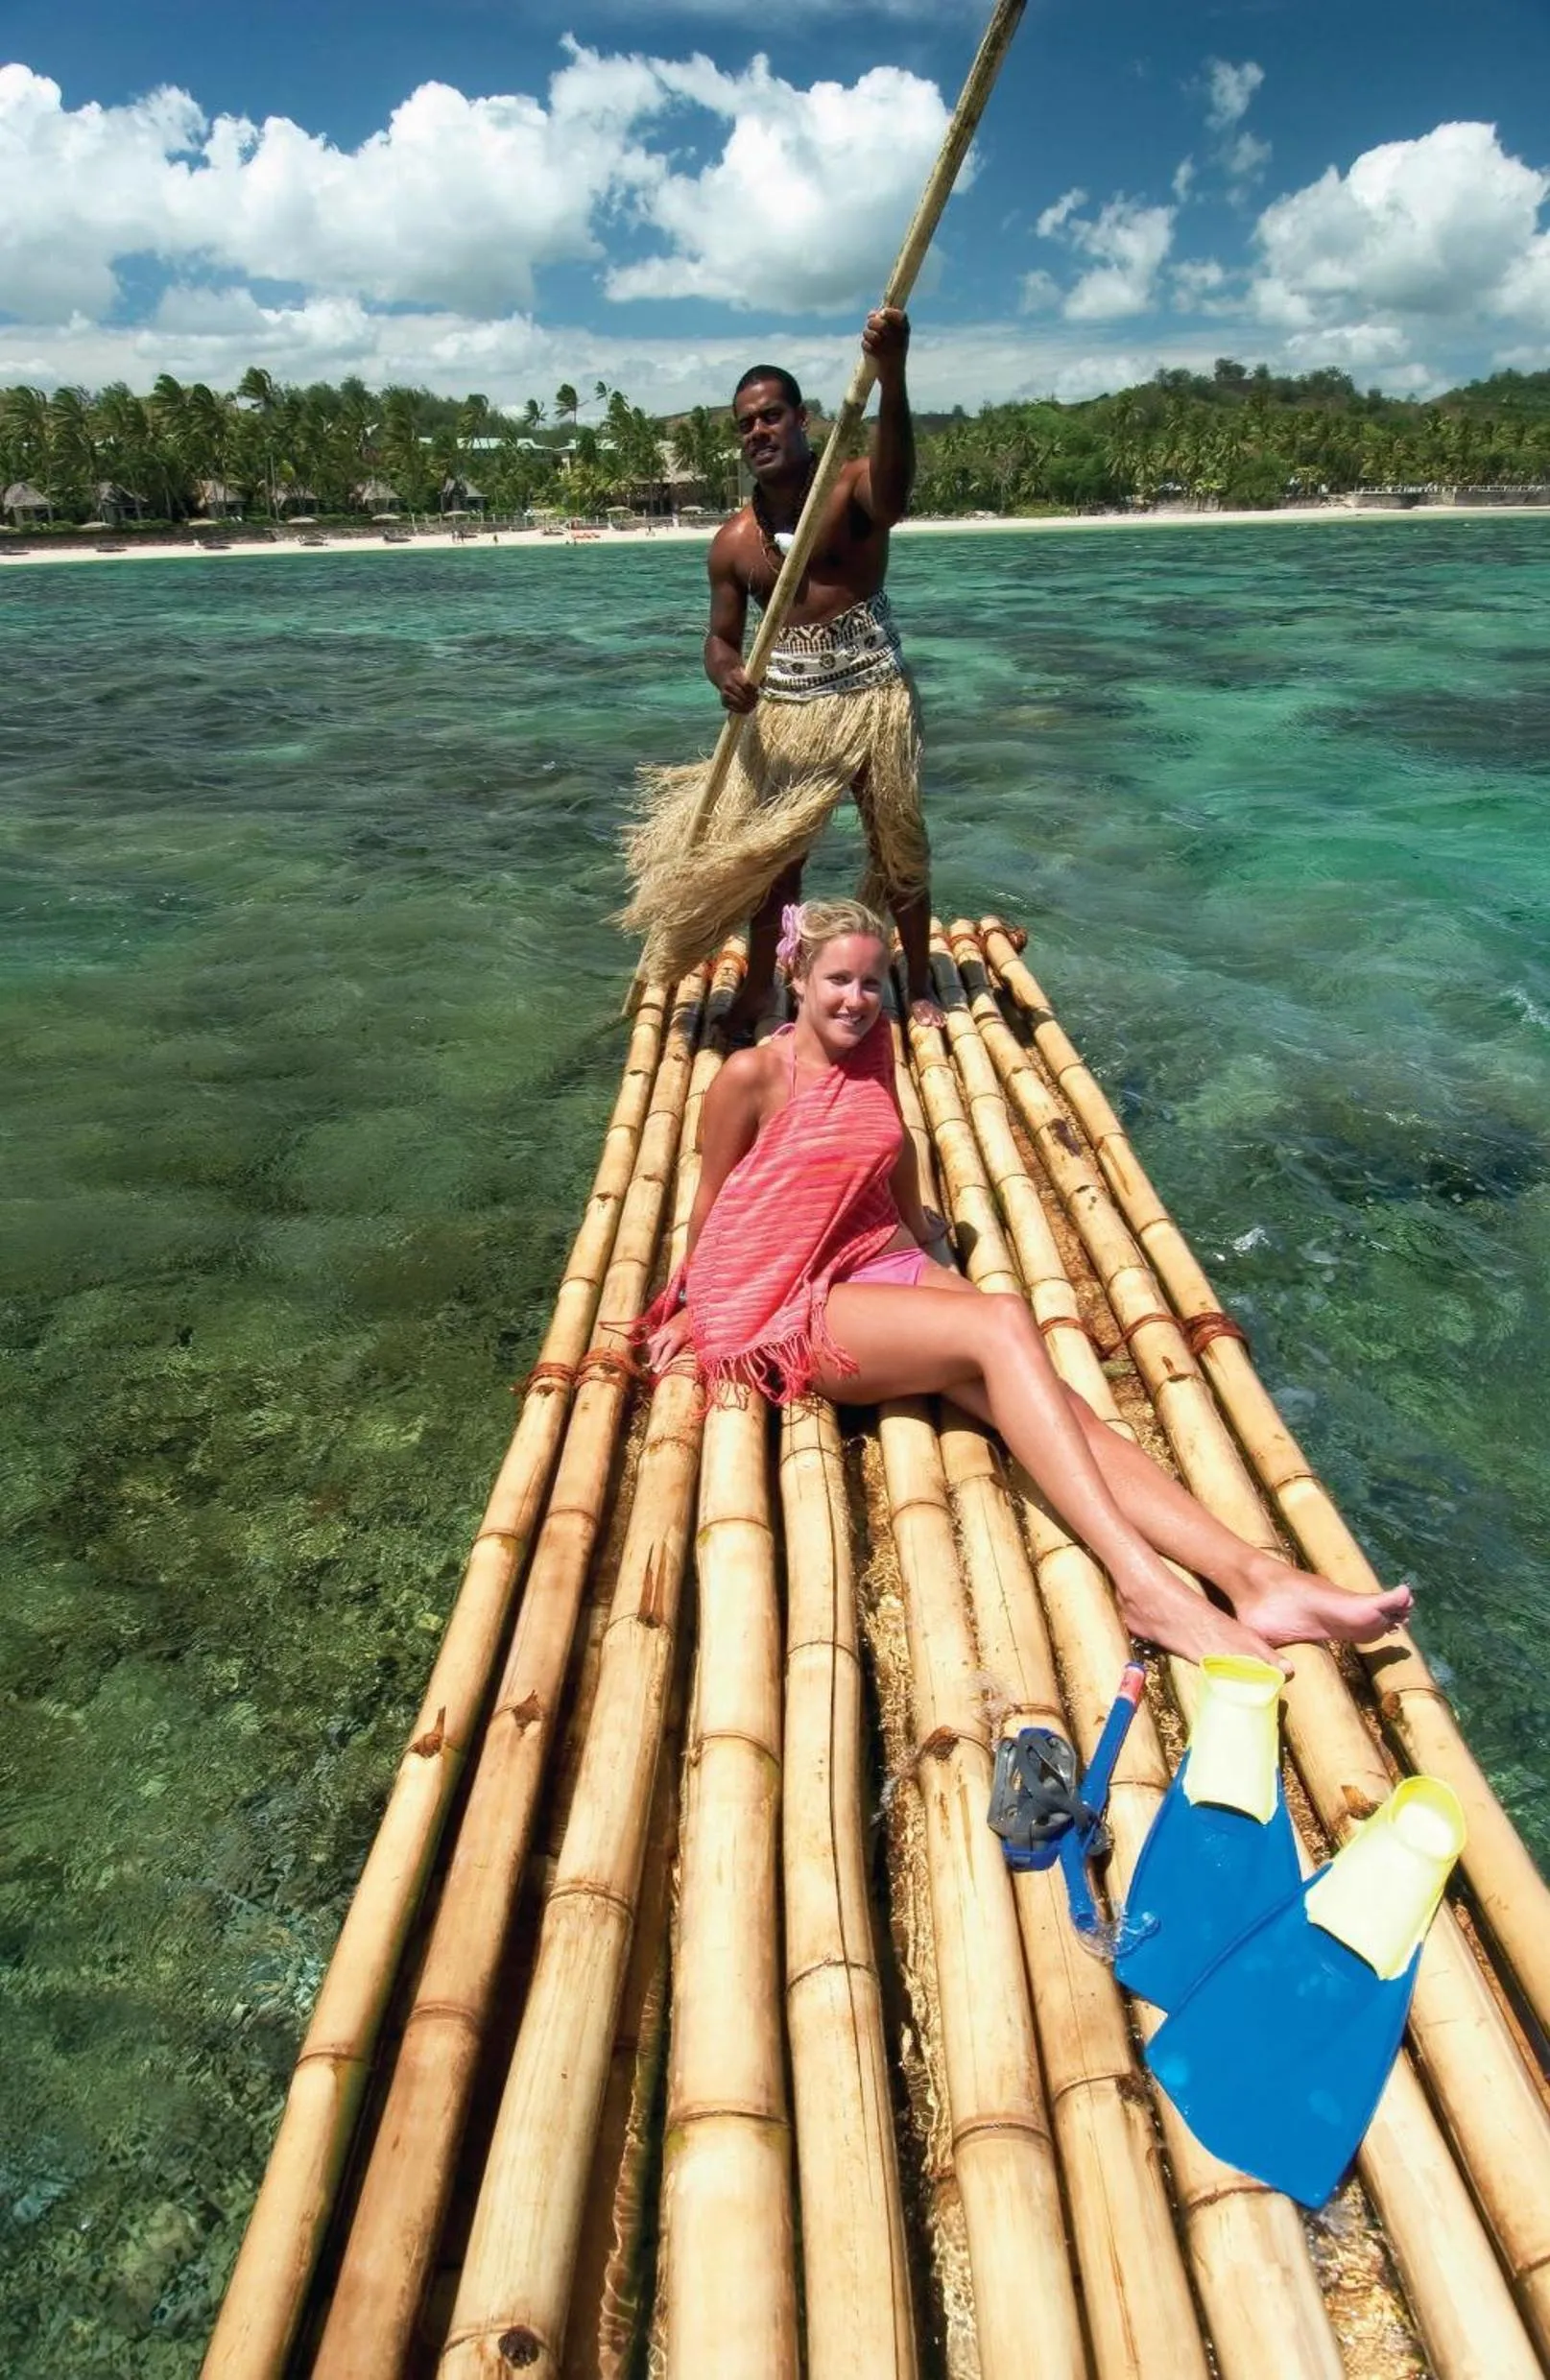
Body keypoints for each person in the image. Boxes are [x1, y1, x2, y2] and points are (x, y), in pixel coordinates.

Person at [642, 899, 1416, 1671]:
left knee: (1060, 1405)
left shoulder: (871, 1043)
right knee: (1002, 1323)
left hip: (873, 1254)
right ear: (797, 976)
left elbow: (893, 1132)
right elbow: (715, 1200)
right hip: (792, 1296)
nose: (856, 999)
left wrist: (916, 1227)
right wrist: (693, 1304)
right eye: (838, 980)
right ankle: (1142, 1583)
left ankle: (1257, 1578)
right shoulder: (750, 1077)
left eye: (872, 983)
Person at [622, 310, 941, 1043]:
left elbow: (895, 496)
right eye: (745, 425)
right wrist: (725, 672)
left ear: (802, 420)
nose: (757, 432)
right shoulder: (734, 542)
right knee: (774, 865)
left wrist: (891, 375)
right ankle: (762, 991)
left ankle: (918, 985)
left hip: (872, 694)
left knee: (898, 845)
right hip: (789, 709)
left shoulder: (852, 489)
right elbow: (717, 637)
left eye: (771, 417)